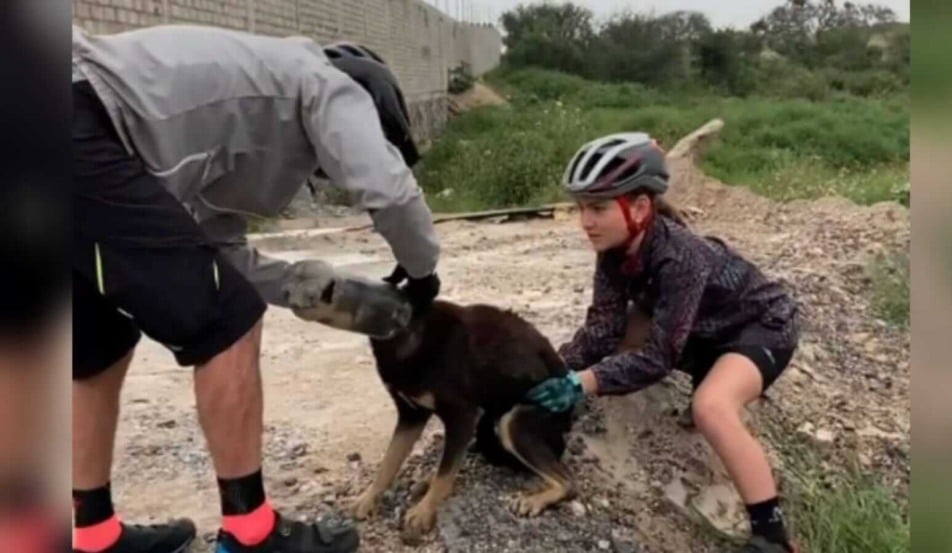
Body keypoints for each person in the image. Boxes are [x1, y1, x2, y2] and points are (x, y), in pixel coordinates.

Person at [72, 24, 441, 553]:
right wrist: (422, 269)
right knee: (230, 323)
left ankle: (94, 535)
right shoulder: (323, 81)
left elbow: (216, 249)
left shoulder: (237, 109)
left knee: (98, 347)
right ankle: (252, 535)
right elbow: (388, 188)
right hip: (75, 123)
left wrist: (294, 284)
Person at [524, 133, 802, 553]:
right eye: (581, 208)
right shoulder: (613, 251)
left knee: (711, 406)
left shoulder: (681, 255)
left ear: (639, 208)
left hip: (760, 328)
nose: (585, 222)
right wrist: (550, 371)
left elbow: (659, 358)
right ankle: (703, 373)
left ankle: (772, 535)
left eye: (598, 208)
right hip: (701, 328)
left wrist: (582, 382)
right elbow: (601, 329)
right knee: (618, 334)